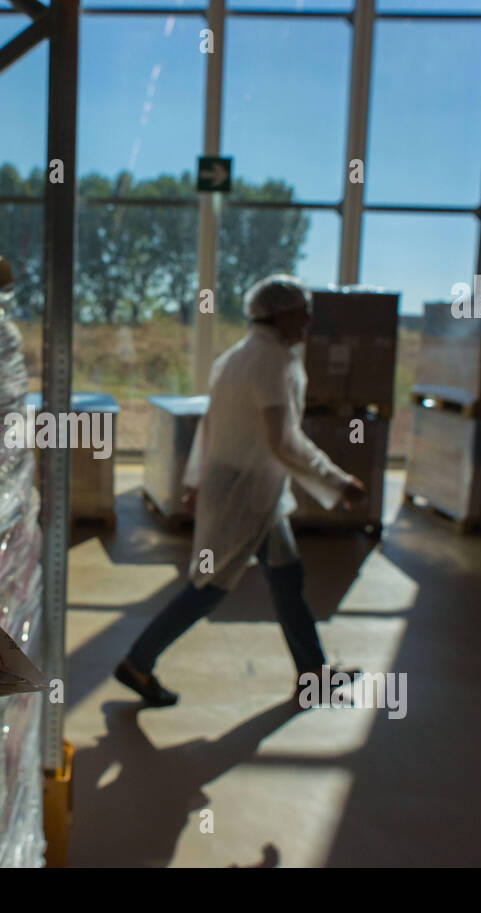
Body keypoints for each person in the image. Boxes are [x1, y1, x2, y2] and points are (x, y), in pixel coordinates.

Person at [115, 275, 366, 708]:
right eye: (302, 310)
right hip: (245, 496)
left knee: (286, 578)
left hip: (247, 491)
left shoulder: (238, 356)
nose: (309, 319)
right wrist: (337, 481)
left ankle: (313, 675)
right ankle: (138, 661)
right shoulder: (270, 362)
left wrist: (195, 481)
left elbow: (210, 426)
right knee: (209, 588)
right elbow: (282, 442)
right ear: (281, 313)